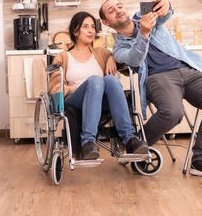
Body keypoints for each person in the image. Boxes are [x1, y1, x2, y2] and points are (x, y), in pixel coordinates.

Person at [99, 0, 202, 179]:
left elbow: (165, 14)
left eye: (120, 6)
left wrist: (166, 3)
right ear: (106, 22)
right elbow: (135, 59)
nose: (118, 10)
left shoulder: (144, 17)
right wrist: (143, 33)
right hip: (158, 77)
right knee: (173, 113)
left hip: (188, 68)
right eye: (111, 10)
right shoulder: (120, 48)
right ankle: (136, 147)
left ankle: (201, 160)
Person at [49, 11, 148, 160]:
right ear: (75, 31)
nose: (91, 30)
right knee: (96, 80)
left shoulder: (101, 53)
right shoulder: (63, 56)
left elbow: (127, 63)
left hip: (100, 101)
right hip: (74, 100)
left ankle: (130, 139)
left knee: (111, 80)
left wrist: (112, 58)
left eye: (93, 27)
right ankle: (88, 141)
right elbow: (55, 88)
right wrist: (72, 88)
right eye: (85, 27)